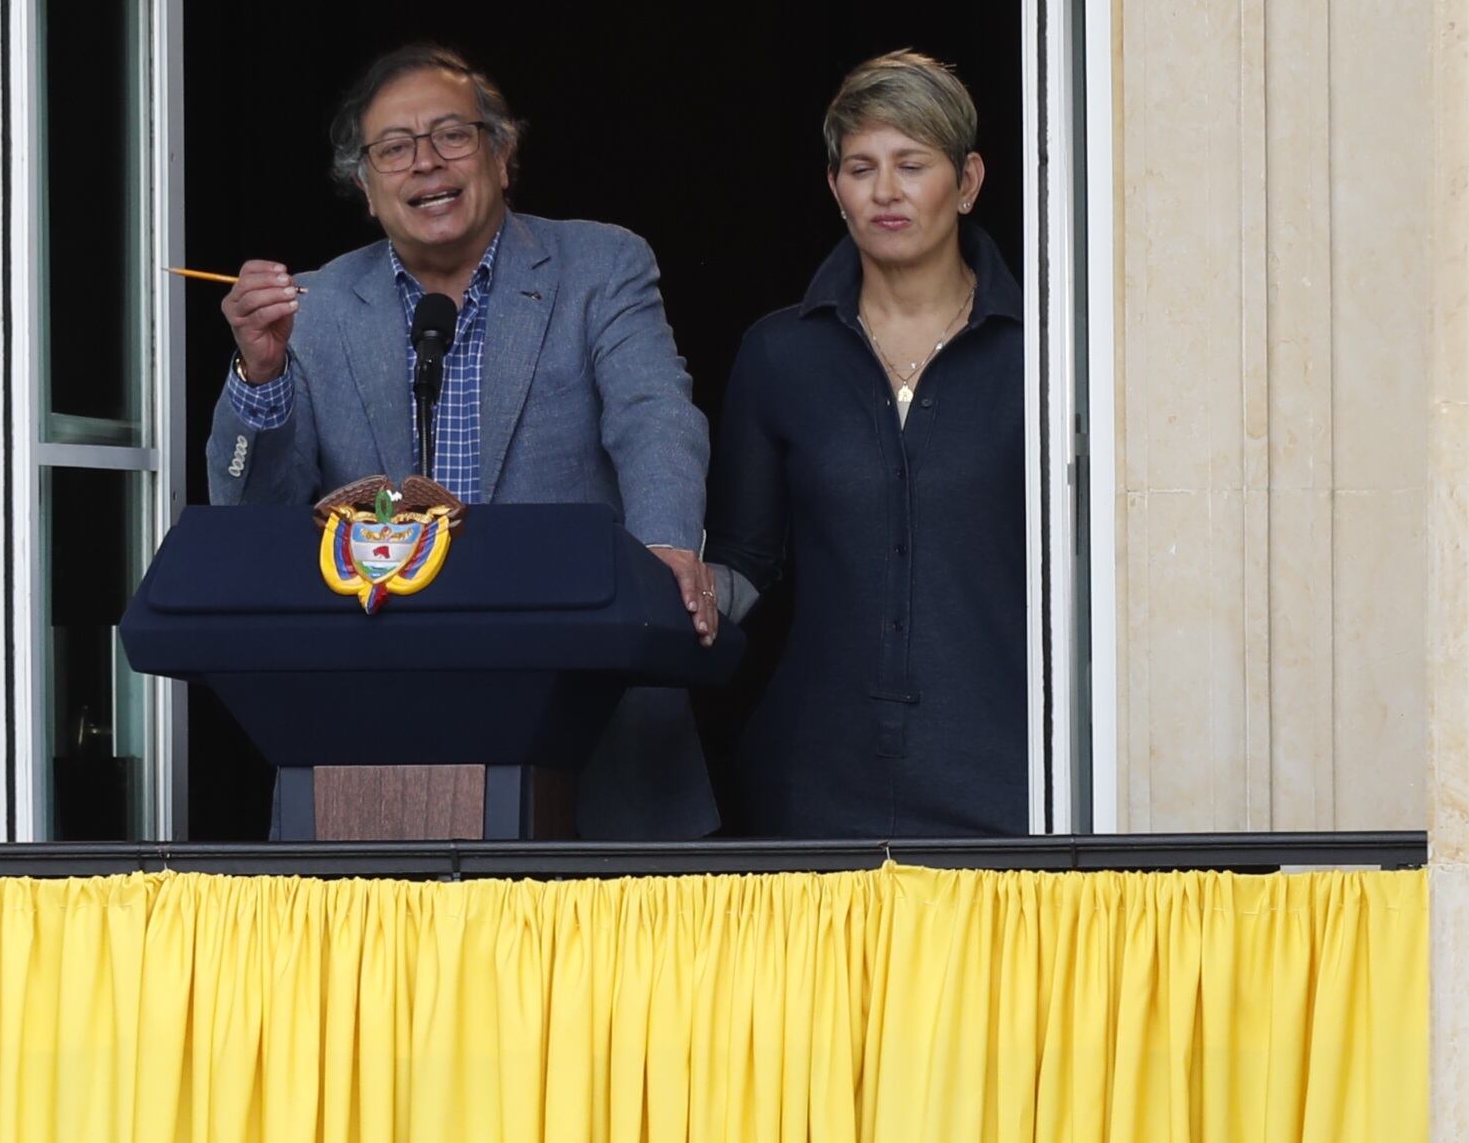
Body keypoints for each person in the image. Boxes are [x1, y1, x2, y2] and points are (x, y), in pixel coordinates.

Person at [206, 42, 720, 839]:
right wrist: (260, 374)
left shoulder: (599, 265)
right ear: (364, 188)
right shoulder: (320, 306)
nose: (426, 165)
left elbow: (653, 415)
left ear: (501, 155)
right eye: (395, 149)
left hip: (582, 718)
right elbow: (251, 517)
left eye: (452, 135)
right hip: (374, 742)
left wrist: (664, 549)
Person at [707, 50, 1027, 837]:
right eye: (860, 167)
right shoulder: (780, 354)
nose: (884, 191)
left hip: (1008, 772)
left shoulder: (1048, 356)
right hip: (815, 778)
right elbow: (744, 568)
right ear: (833, 188)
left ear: (968, 181)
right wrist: (662, 590)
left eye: (910, 164)